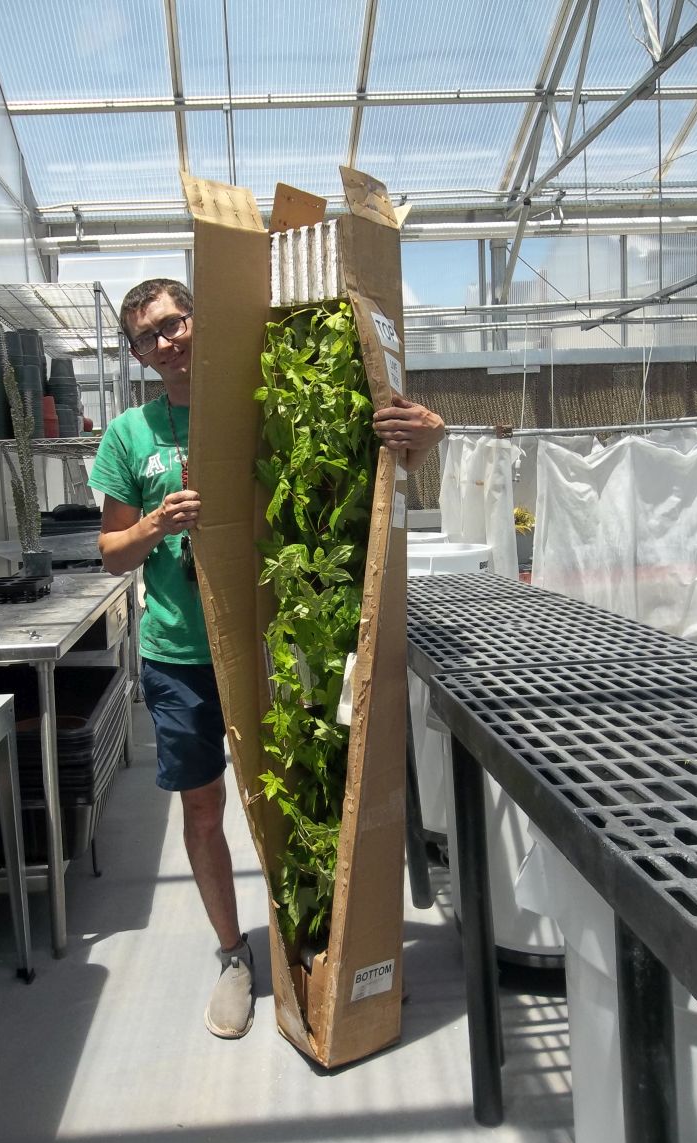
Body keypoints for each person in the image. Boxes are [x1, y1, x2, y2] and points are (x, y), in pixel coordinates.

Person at [89, 278, 445, 1040]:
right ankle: (231, 956)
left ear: (199, 319)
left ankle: (321, 941)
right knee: (204, 804)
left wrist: (426, 431)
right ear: (137, 355)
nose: (168, 342)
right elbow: (112, 553)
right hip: (180, 654)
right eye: (148, 336)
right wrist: (156, 522)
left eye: (175, 322)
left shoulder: (263, 400)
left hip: (273, 643)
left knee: (303, 789)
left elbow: (356, 468)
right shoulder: (131, 434)